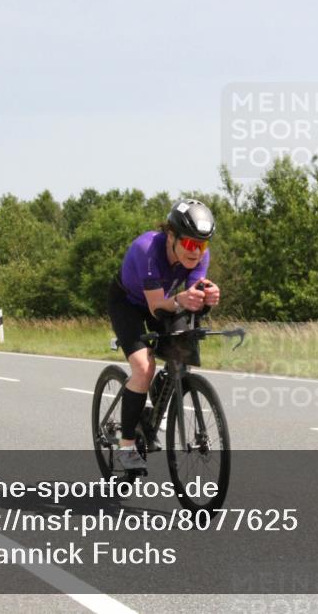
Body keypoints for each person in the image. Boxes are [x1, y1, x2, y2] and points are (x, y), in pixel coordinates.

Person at [108, 199, 221, 471]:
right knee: (144, 367)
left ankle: (156, 400)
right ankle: (126, 446)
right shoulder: (147, 250)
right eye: (191, 244)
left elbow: (192, 298)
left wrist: (206, 297)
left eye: (202, 244)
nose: (197, 252)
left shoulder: (200, 256)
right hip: (128, 304)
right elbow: (157, 306)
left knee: (182, 349)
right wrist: (182, 299)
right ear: (172, 236)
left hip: (163, 301)